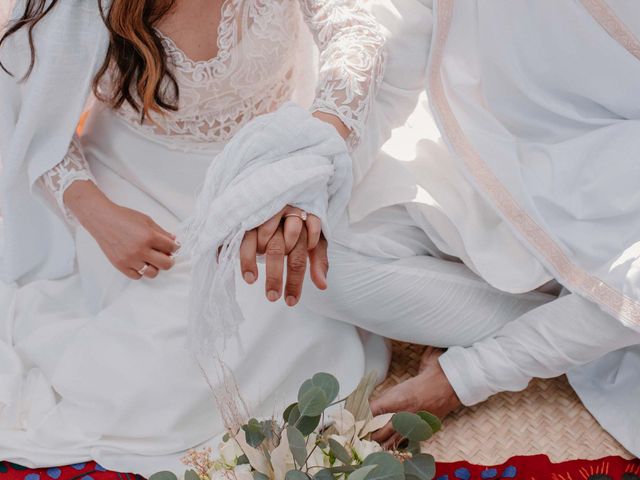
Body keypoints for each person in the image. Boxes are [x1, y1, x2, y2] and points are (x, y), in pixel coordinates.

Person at [0, 0, 397, 474]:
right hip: (132, 189)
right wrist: (96, 213)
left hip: (265, 170)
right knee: (151, 376)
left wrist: (308, 161)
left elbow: (356, 32)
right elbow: (28, 115)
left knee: (297, 294)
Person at [295, 0, 640, 456]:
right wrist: (315, 179)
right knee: (313, 258)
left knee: (624, 296)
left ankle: (588, 325)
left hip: (621, 206)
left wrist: (462, 377)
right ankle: (580, 325)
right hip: (488, 152)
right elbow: (394, 54)